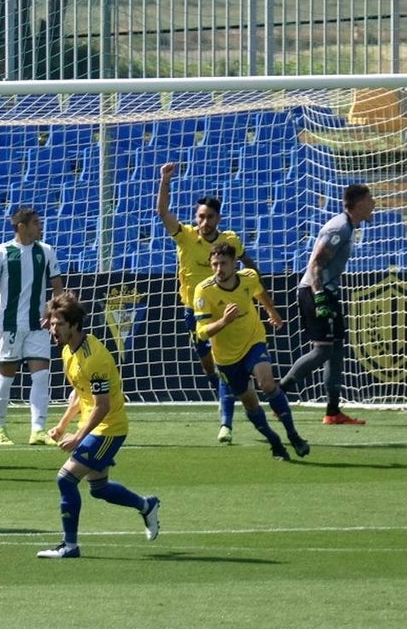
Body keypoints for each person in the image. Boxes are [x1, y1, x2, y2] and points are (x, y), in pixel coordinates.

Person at [36, 291, 160, 559]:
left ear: (74, 325)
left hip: (109, 429)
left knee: (65, 479)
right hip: (95, 426)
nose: (53, 329)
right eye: (52, 323)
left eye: (59, 324)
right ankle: (146, 505)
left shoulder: (96, 358)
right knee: (100, 489)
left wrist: (78, 437)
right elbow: (81, 394)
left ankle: (70, 546)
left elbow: (102, 406)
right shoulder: (69, 351)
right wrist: (63, 424)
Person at [157, 162, 264, 444]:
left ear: (218, 218)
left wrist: (258, 292)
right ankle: (229, 391)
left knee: (222, 362)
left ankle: (226, 422)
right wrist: (165, 181)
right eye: (201, 217)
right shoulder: (186, 237)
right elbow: (163, 213)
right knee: (210, 367)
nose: (205, 222)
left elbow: (248, 264)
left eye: (210, 217)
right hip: (195, 312)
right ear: (196, 218)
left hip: (227, 311)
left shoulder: (229, 241)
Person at [194, 243, 310, 461]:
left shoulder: (248, 277)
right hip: (227, 357)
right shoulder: (204, 291)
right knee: (250, 403)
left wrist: (271, 311)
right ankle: (275, 442)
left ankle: (294, 436)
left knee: (267, 384)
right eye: (215, 264)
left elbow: (259, 292)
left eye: (223, 263)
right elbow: (201, 332)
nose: (219, 269)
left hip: (253, 341)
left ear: (234, 264)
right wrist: (224, 321)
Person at [279, 183, 377, 425]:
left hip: (328, 293)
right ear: (359, 203)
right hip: (314, 292)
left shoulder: (348, 226)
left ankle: (333, 412)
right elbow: (316, 264)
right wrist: (320, 296)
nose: (374, 203)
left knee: (336, 351)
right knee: (322, 351)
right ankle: (277, 394)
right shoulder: (339, 227)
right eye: (370, 199)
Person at [0, 207, 64, 446]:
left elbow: (58, 288)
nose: (40, 226)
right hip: (9, 325)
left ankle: (38, 430)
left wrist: (52, 312)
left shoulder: (46, 251)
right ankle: (0, 428)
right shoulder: (1, 253)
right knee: (7, 376)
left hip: (38, 325)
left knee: (41, 375)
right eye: (36, 223)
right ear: (21, 226)